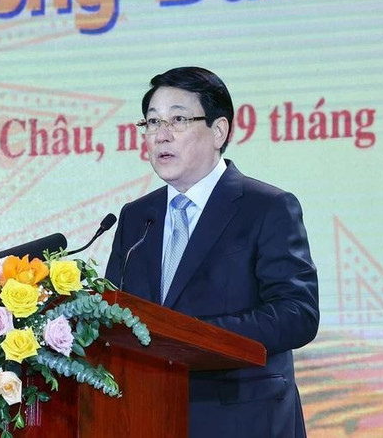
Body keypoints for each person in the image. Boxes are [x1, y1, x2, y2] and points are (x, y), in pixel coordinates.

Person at [105, 66, 319, 438]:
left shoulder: (266, 207)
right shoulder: (137, 217)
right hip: (147, 415)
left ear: (219, 131)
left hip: (243, 419)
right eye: (152, 123)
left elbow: (297, 313)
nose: (161, 136)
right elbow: (112, 314)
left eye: (179, 119)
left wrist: (192, 336)